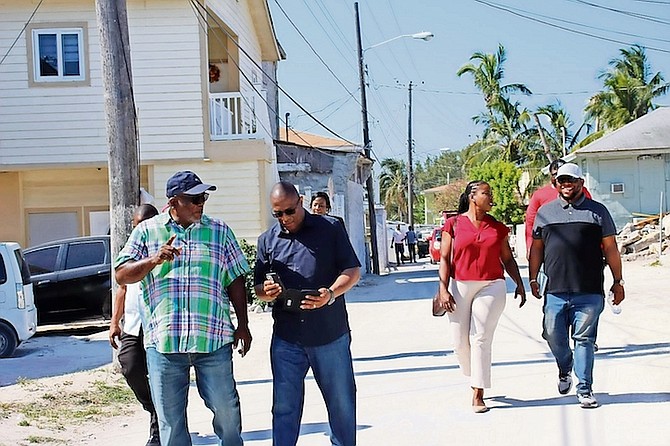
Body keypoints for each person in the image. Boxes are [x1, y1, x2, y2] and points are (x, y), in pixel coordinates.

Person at [114, 171, 251, 446]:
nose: (201, 203)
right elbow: (121, 274)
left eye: (204, 197)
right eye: (195, 198)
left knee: (227, 412)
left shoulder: (219, 231)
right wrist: (153, 260)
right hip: (164, 344)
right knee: (171, 423)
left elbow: (235, 278)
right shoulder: (147, 231)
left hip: (212, 341)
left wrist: (243, 325)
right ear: (174, 202)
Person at [254, 181, 361, 446]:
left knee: (341, 406)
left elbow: (352, 271)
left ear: (300, 201)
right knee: (284, 408)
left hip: (329, 334)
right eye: (277, 214)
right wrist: (267, 291)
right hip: (287, 339)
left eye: (289, 211)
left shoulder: (331, 228)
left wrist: (330, 295)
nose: (284, 219)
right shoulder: (267, 241)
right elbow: (258, 288)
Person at [529, 163, 625, 409]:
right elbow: (536, 249)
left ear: (581, 183)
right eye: (561, 181)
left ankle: (585, 389)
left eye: (571, 180)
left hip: (589, 290)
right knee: (552, 333)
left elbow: (611, 248)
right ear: (555, 184)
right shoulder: (545, 213)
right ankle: (565, 367)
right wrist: (532, 278)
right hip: (555, 290)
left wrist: (618, 281)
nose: (566, 184)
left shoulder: (598, 212)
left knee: (584, 339)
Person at [435, 180, 526, 413]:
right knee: (459, 343)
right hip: (460, 284)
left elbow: (507, 259)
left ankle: (478, 391)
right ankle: (473, 371)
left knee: (481, 337)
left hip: (492, 285)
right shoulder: (453, 224)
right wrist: (443, 288)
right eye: (486, 193)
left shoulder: (497, 227)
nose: (491, 196)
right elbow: (445, 258)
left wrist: (519, 283)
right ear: (473, 197)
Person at [109, 204, 160, 446]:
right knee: (129, 366)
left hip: (156, 325)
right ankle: (154, 409)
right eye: (135, 226)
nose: (137, 230)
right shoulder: (129, 252)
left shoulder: (163, 250)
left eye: (142, 225)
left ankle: (158, 428)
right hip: (133, 324)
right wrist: (114, 322)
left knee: (160, 376)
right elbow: (122, 288)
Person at [525, 159, 592, 259]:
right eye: (555, 174)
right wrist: (530, 247)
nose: (559, 177)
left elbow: (592, 217)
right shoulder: (539, 195)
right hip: (549, 253)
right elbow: (531, 223)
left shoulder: (581, 191)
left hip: (580, 253)